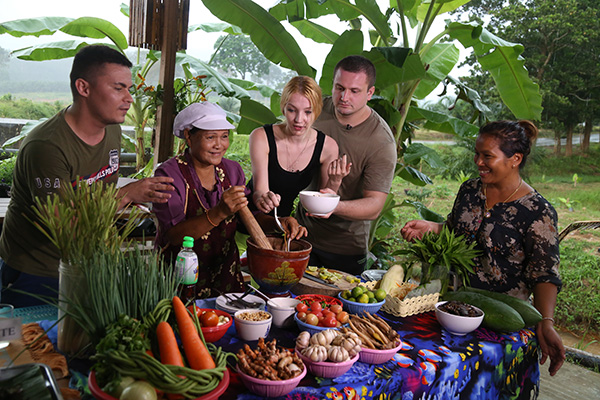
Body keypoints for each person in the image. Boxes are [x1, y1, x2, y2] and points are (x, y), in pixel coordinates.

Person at [0, 44, 174, 308]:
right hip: (36, 271)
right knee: (27, 346)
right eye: (118, 88)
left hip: (87, 262)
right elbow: (65, 226)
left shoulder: (113, 131)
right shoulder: (47, 147)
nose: (129, 98)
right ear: (83, 88)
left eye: (129, 88)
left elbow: (99, 195)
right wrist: (127, 194)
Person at [401, 120, 565, 377]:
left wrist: (546, 321)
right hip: (455, 309)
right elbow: (456, 230)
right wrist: (432, 228)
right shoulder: (470, 190)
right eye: (477, 154)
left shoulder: (537, 212)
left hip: (503, 323)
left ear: (515, 159)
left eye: (487, 156)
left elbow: (544, 274)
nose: (478, 162)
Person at [153, 101, 306, 299]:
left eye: (224, 136)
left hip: (225, 278)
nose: (219, 145)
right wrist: (219, 213)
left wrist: (278, 223)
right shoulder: (168, 175)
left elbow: (246, 218)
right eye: (210, 137)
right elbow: (173, 236)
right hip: (179, 281)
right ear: (189, 136)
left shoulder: (232, 171)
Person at [296, 56, 397, 275]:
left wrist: (331, 205)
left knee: (338, 309)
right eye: (339, 88)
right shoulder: (313, 112)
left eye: (354, 91)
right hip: (301, 235)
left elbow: (375, 205)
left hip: (345, 247)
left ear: (370, 93)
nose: (344, 97)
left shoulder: (380, 142)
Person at [247, 76, 349, 216]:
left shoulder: (327, 147)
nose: (299, 120)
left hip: (285, 223)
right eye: (292, 110)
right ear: (283, 109)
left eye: (307, 112)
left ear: (317, 112)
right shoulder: (261, 136)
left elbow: (322, 205)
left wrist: (335, 181)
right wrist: (263, 199)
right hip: (250, 217)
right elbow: (260, 191)